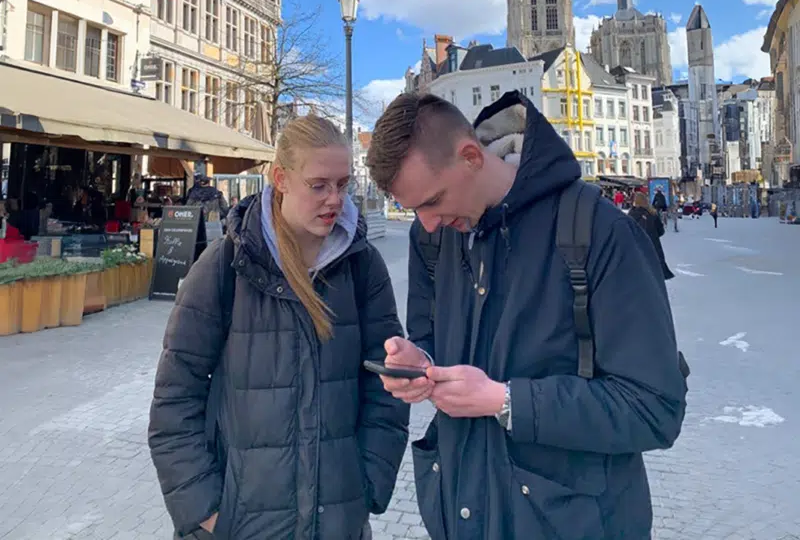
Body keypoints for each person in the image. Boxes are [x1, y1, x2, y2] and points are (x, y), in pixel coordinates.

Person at [366, 91, 686, 540]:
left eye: (433, 200)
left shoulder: (600, 231)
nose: (428, 221)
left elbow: (655, 408)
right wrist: (420, 363)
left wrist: (506, 401)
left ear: (472, 156)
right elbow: (432, 340)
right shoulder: (433, 238)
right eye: (413, 208)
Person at [148, 115, 410, 540]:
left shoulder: (363, 267)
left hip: (338, 521)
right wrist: (207, 511)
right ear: (281, 179)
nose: (334, 200)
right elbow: (174, 400)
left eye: (343, 185)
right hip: (240, 525)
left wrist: (365, 487)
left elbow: (387, 385)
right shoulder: (225, 265)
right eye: (319, 185)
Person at [629, 191, 674, 281]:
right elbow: (661, 231)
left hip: (637, 246)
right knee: (655, 269)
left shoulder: (631, 215)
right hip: (653, 245)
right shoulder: (652, 214)